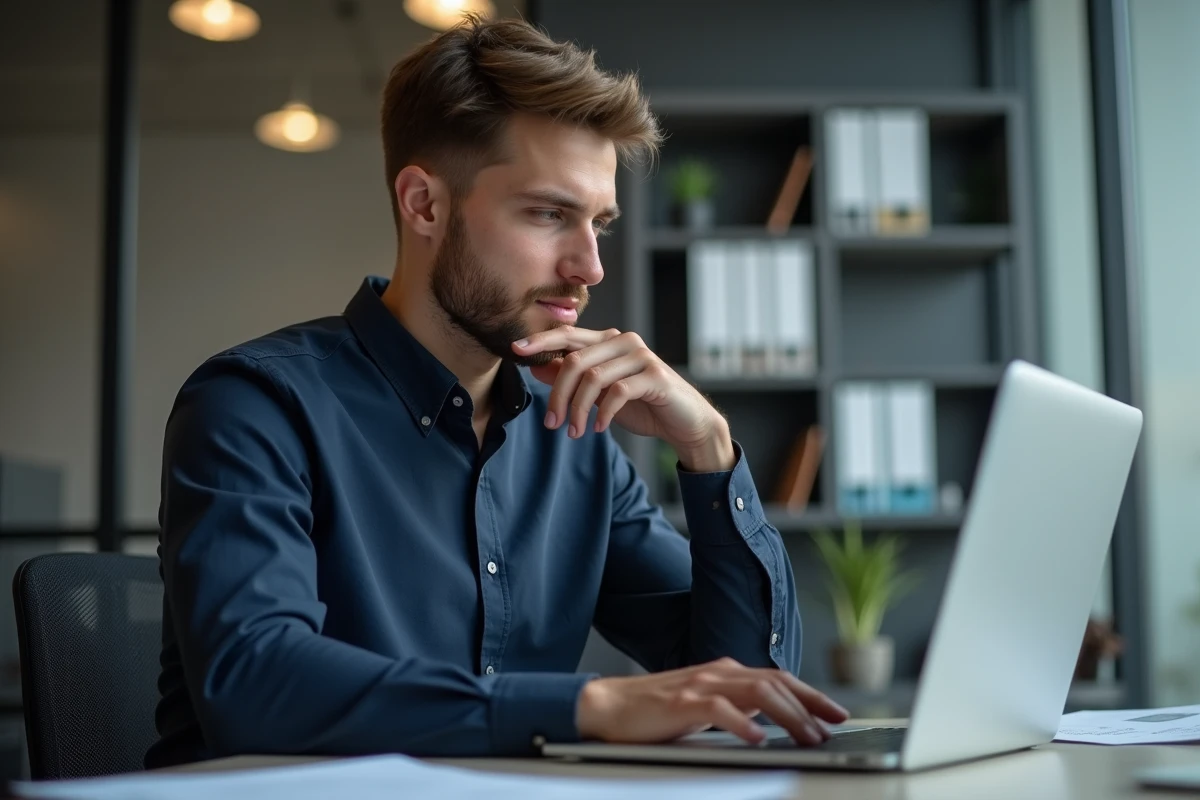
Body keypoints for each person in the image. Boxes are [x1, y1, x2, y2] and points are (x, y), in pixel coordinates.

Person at [146, 15, 848, 769]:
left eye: (599, 225)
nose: (590, 267)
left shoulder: (571, 438)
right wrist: (590, 706)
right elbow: (256, 682)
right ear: (424, 205)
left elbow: (749, 688)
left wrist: (708, 448)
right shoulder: (255, 406)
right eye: (550, 214)